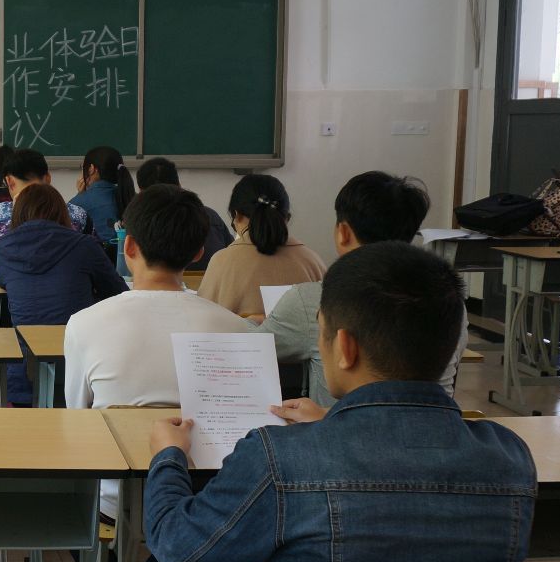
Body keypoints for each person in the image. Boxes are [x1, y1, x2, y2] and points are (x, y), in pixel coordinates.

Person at [89, 242, 537, 562]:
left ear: (345, 347)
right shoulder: (510, 458)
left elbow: (176, 544)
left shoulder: (280, 455)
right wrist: (332, 423)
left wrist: (169, 456)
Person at [63, 184, 252, 562]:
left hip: (114, 496)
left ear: (128, 246)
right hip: (206, 500)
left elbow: (77, 421)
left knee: (76, 496)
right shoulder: (235, 327)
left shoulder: (85, 323)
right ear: (199, 252)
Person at [256, 171, 463, 408]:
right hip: (435, 422)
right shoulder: (446, 297)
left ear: (343, 232)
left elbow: (254, 346)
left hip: (342, 426)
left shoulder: (318, 299)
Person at [0, 184, 126, 405]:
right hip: (81, 372)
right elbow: (118, 294)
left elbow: (1, 279)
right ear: (62, 212)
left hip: (23, 374)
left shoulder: (1, 249)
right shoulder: (84, 246)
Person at [197, 174, 325, 319]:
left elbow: (203, 322)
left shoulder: (222, 262)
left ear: (236, 215)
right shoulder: (313, 262)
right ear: (286, 218)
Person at [0, 149, 93, 274]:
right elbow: (96, 257)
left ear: (9, 181)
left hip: (11, 293)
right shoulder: (79, 216)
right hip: (68, 292)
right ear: (48, 178)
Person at [136, 157, 233, 267]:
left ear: (141, 193)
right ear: (179, 185)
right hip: (213, 276)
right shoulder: (210, 217)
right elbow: (231, 254)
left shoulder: (140, 225)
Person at [70, 145, 136, 251]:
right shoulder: (136, 199)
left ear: (91, 169)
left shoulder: (76, 205)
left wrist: (79, 196)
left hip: (95, 260)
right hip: (131, 260)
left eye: (83, 167)